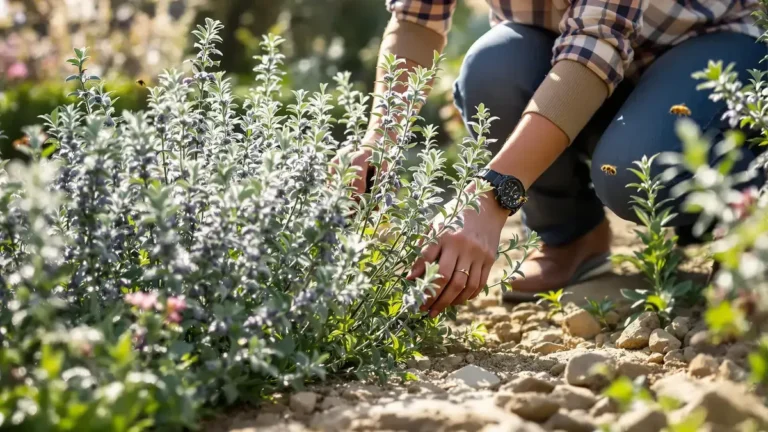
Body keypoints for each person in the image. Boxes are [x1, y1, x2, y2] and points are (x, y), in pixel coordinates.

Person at [343, 0, 767, 318]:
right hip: (577, 55)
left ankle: (749, 222)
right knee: (492, 71)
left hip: (707, 51)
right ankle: (571, 236)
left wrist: (488, 199)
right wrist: (378, 145)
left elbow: (593, 48)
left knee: (638, 174)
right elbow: (417, 19)